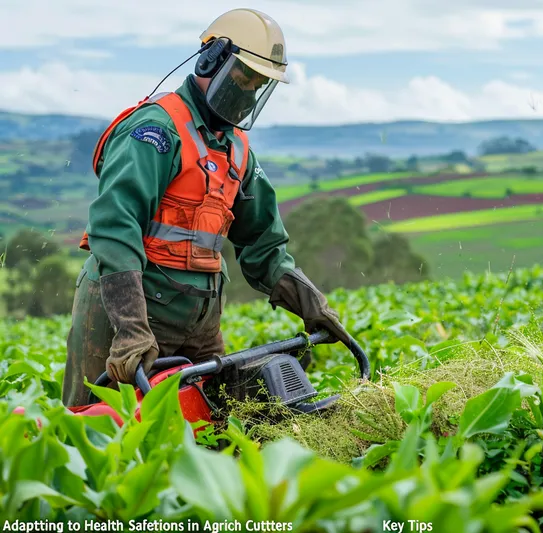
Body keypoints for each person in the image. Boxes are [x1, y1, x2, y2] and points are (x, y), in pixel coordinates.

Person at [62, 8, 349, 407]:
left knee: (215, 427)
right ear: (211, 59)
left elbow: (263, 245)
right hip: (127, 316)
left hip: (199, 327)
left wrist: (311, 302)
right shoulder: (157, 131)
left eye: (259, 84)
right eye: (242, 77)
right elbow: (115, 226)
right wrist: (130, 328)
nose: (248, 92)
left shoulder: (238, 152)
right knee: (101, 428)